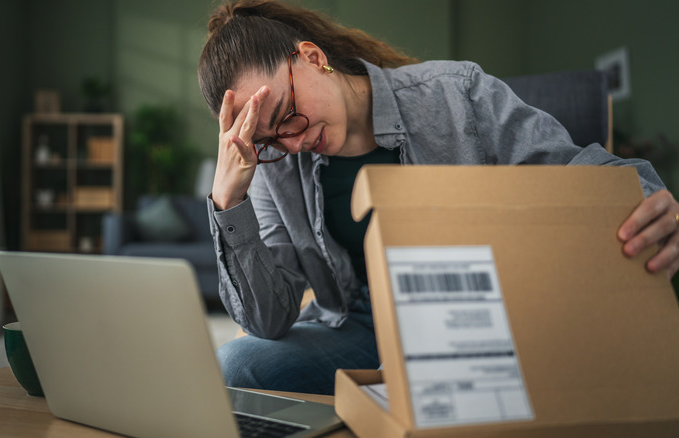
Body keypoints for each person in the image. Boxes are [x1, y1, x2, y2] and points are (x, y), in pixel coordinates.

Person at [197, 0, 679, 395]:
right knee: (236, 364)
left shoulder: (455, 93)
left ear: (312, 57)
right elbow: (270, 318)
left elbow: (586, 172)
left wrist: (650, 195)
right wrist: (228, 202)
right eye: (270, 141)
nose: (294, 142)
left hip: (474, 316)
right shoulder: (270, 166)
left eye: (288, 113)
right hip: (360, 327)